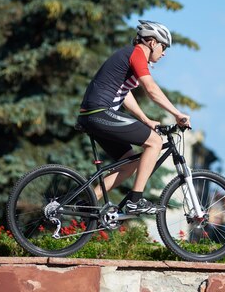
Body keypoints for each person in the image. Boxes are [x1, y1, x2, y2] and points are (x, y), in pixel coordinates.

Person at [77, 20, 191, 215]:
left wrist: (145, 120)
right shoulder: (137, 53)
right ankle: (135, 201)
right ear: (153, 43)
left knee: (130, 163)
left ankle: (87, 202)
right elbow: (152, 90)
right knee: (154, 142)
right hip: (100, 112)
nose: (163, 53)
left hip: (94, 115)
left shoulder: (131, 55)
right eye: (164, 47)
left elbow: (125, 94)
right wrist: (177, 114)